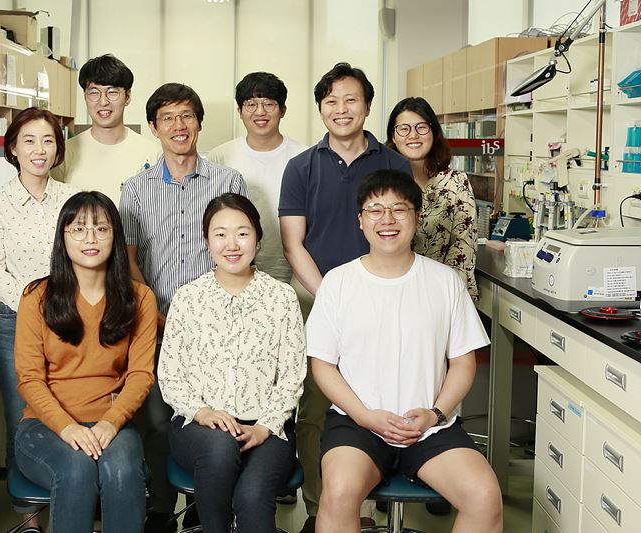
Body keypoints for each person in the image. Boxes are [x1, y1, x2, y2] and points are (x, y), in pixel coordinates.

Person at [308, 170, 502, 533]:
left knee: (485, 496)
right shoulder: (338, 283)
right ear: (360, 220)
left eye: (399, 209)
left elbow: (462, 363)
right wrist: (365, 416)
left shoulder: (445, 282)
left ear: (416, 216)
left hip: (430, 426)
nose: (388, 220)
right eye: (376, 210)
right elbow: (323, 366)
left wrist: (435, 413)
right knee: (338, 492)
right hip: (357, 424)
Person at [277, 62, 411, 533]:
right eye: (331, 101)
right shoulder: (301, 167)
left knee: (381, 397)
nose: (341, 109)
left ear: (368, 106)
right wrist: (332, 294)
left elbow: (402, 230)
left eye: (350, 99)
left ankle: (367, 512)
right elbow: (293, 243)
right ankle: (322, 509)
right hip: (319, 301)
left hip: (388, 300)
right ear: (320, 109)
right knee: (317, 406)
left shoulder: (393, 163)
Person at [119, 83, 248, 532]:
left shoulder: (227, 182)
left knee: (216, 411)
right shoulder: (134, 190)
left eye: (187, 116)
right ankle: (160, 508)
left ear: (199, 123)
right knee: (156, 418)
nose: (179, 126)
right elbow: (130, 262)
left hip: (217, 326)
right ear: (153, 127)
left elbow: (235, 253)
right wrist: (157, 315)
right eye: (168, 118)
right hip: (153, 325)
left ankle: (203, 503)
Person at [157, 193, 306, 533]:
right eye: (220, 234)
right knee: (220, 448)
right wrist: (203, 412)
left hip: (268, 429)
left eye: (242, 232)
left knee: (253, 498)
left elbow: (292, 377)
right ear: (206, 241)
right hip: (198, 426)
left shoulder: (281, 297)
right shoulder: (189, 297)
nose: (232, 244)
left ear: (257, 236)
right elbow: (170, 375)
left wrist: (264, 426)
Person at [14, 191, 157, 533]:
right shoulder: (36, 298)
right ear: (62, 238)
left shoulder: (140, 299)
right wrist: (68, 427)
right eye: (78, 229)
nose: (90, 238)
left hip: (112, 423)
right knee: (76, 469)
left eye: (101, 229)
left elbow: (140, 376)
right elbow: (30, 379)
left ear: (116, 237)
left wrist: (110, 422)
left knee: (121, 470)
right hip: (45, 427)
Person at [0, 107, 79, 533]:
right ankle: (30, 519)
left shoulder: (71, 200)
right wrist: (36, 309)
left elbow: (83, 259)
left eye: (49, 141)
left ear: (58, 149)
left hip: (70, 319)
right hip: (16, 321)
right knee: (21, 411)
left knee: (71, 406)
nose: (40, 150)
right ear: (13, 148)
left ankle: (71, 507)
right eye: (30, 141)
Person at [208, 72, 306, 283]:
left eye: (268, 104)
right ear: (240, 111)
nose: (260, 112)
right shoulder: (220, 156)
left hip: (296, 272)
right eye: (251, 104)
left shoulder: (305, 157)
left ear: (283, 110)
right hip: (236, 268)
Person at [386, 96, 478, 300]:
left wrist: (445, 295)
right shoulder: (383, 184)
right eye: (404, 128)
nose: (413, 135)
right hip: (392, 292)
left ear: (434, 132)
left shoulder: (456, 182)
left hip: (444, 293)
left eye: (421, 127)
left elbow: (464, 243)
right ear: (393, 135)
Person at [52, 54, 159, 203]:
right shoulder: (64, 153)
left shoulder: (153, 154)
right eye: (94, 92)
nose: (103, 102)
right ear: (85, 96)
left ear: (127, 96)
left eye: (112, 92)